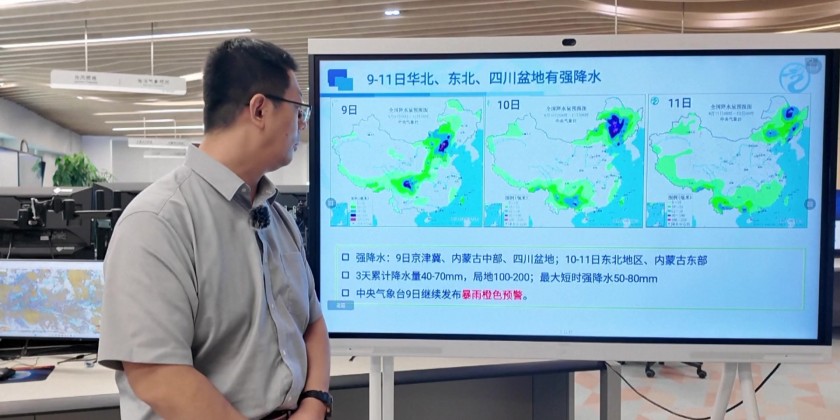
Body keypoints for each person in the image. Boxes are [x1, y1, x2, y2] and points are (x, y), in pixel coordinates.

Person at [98, 37, 331, 420]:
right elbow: (157, 376)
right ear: (260, 109)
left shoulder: (279, 218)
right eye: (298, 110)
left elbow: (313, 323)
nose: (301, 125)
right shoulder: (156, 222)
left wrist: (315, 402)